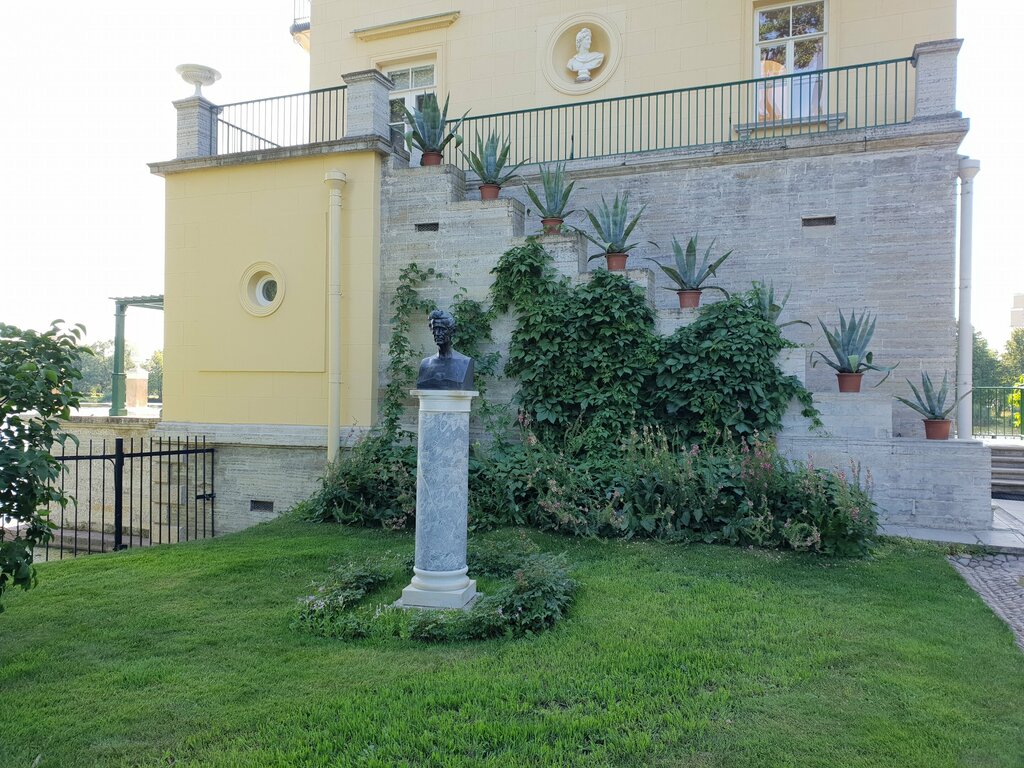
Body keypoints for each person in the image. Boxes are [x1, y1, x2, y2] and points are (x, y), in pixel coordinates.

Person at [416, 310, 474, 390]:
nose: (437, 333)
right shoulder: (425, 364)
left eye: (442, 329)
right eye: (435, 329)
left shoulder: (464, 362)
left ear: (452, 332)